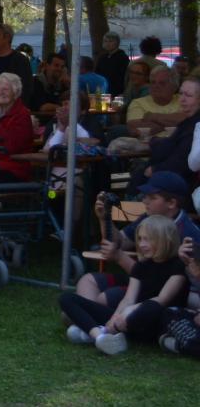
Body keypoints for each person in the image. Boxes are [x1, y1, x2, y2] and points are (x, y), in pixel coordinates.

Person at [59, 215, 187, 355]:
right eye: (140, 239)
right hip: (126, 320)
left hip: (153, 322)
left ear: (165, 240)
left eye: (148, 239)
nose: (142, 244)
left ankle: (101, 332)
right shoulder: (141, 266)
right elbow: (128, 299)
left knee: (152, 307)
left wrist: (130, 311)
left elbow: (162, 299)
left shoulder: (178, 266)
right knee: (67, 298)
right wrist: (115, 318)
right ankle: (99, 336)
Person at [75, 171, 200, 308]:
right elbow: (120, 242)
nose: (145, 201)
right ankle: (86, 315)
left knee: (104, 299)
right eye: (145, 196)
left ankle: (87, 315)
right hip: (140, 281)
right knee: (87, 281)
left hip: (166, 294)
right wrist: (105, 219)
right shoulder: (149, 217)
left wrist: (119, 257)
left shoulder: (187, 235)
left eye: (152, 197)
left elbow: (155, 278)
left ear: (171, 203)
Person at [126, 66, 186, 138]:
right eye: (153, 82)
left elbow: (189, 120)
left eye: (162, 83)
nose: (156, 86)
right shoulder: (138, 103)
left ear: (174, 87)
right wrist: (174, 123)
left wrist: (152, 116)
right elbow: (134, 128)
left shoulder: (184, 100)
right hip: (147, 144)